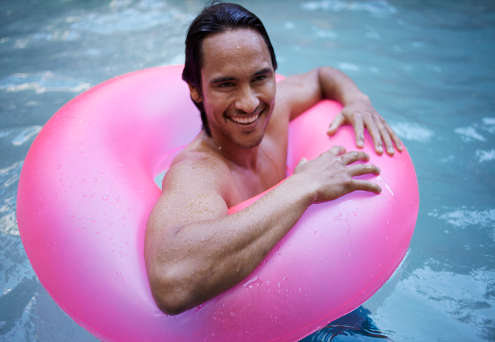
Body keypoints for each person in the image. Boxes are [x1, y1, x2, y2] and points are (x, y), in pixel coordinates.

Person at [144, 2, 402, 316]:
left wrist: (356, 99)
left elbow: (322, 76)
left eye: (259, 79)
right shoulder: (198, 173)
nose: (249, 102)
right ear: (196, 91)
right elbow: (171, 283)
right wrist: (303, 185)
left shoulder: (278, 113)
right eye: (226, 84)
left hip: (320, 291)